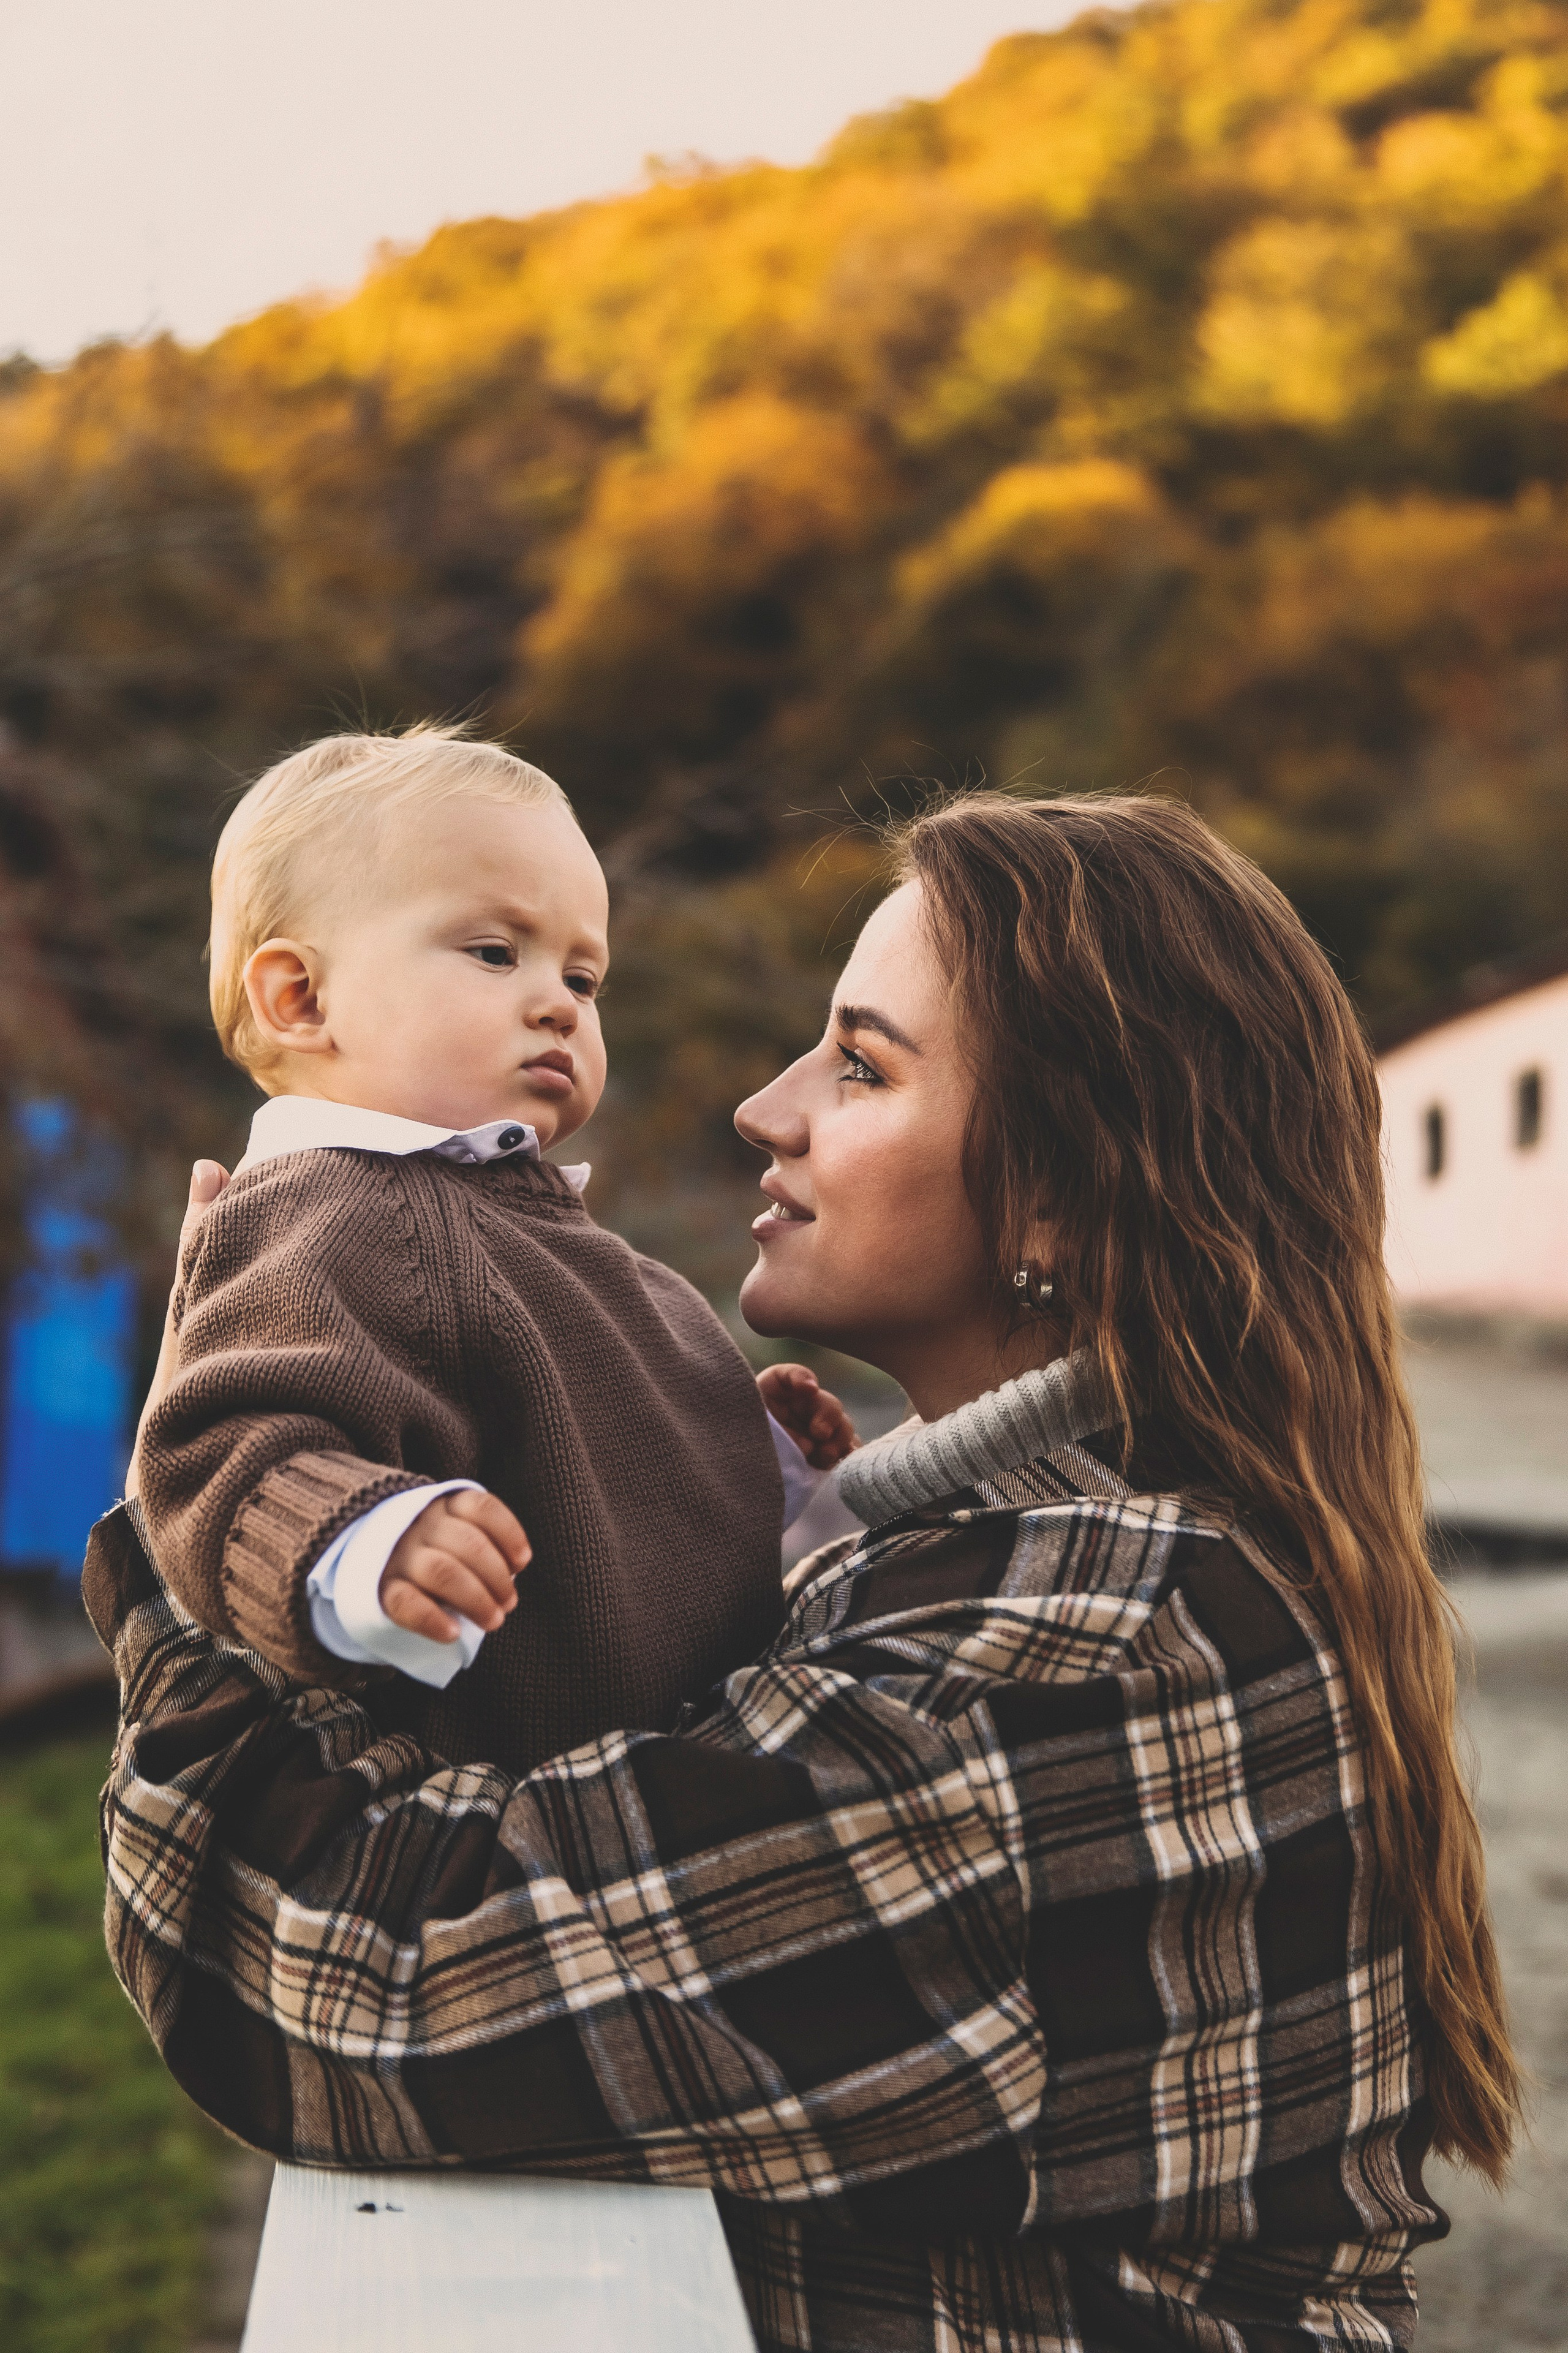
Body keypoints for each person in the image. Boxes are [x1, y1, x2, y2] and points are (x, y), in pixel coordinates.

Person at [90, 792, 1520, 2352]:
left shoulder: (1084, 1638)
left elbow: (337, 1984)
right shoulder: (1015, 1554)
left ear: (1054, 1191)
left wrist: (204, 1496)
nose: (763, 1111)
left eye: (859, 1065)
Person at [133, 724, 854, 1775]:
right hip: (485, 1817)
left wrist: (742, 1444)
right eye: (494, 951)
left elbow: (576, 1472)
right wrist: (364, 1542)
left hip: (657, 1789)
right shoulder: (329, 1204)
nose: (560, 1001)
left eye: (586, 976)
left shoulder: (519, 1223)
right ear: (301, 999)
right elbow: (221, 1455)